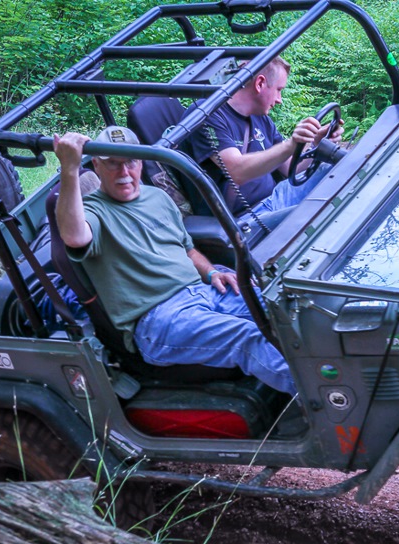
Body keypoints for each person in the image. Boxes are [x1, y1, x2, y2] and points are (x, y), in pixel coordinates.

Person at [53, 125, 296, 395]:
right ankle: (330, 404)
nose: (123, 172)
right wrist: (70, 169)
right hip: (157, 320)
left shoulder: (158, 197)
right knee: (247, 337)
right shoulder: (93, 210)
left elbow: (188, 250)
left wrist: (212, 272)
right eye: (112, 164)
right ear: (96, 166)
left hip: (202, 291)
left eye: (130, 162)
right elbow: (74, 236)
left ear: (141, 162)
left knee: (281, 308)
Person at [188, 56, 343, 237]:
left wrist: (316, 144)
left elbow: (290, 168)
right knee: (321, 212)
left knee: (345, 168)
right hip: (247, 219)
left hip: (277, 197)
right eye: (278, 90)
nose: (280, 99)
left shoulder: (260, 117)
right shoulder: (207, 115)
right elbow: (236, 171)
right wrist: (290, 144)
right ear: (260, 83)